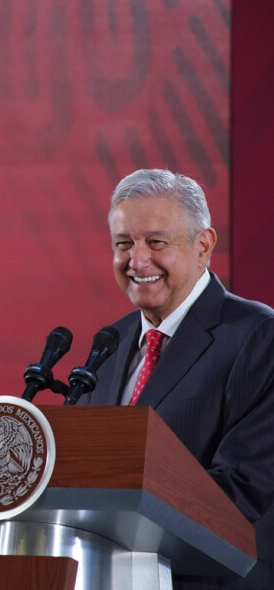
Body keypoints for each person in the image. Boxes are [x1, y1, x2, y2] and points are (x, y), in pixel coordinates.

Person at [84, 169, 274, 589]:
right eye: (123, 244)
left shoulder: (258, 335)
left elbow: (245, 487)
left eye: (156, 242)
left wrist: (116, 516)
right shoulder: (108, 345)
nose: (137, 261)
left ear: (203, 245)